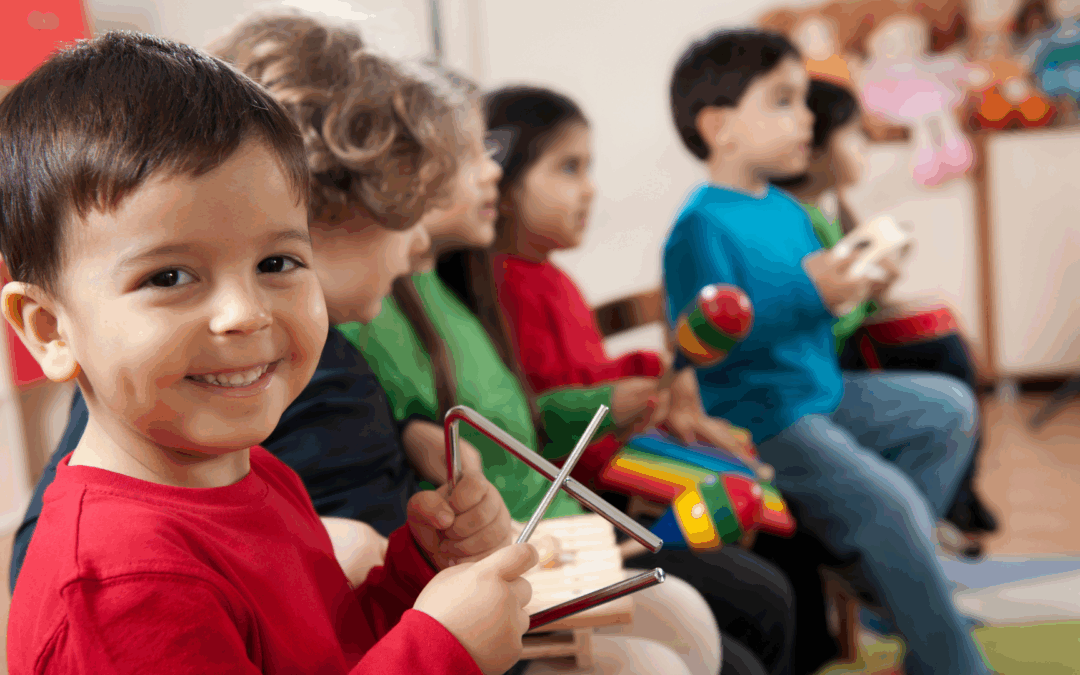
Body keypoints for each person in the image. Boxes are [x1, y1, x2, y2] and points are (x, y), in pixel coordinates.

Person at [1, 31, 531, 674]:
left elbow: (333, 652)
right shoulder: (122, 588)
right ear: (51, 330)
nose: (246, 313)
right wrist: (440, 651)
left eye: (277, 261)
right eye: (169, 276)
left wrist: (421, 575)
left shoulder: (257, 472)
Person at [664, 29, 996, 675]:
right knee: (893, 504)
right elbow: (709, 344)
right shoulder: (701, 225)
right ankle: (950, 660)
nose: (807, 118)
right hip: (764, 419)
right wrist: (810, 292)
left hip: (825, 394)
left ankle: (880, 574)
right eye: (784, 101)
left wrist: (850, 286)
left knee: (950, 408)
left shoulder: (785, 210)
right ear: (720, 126)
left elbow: (809, 308)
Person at [465, 84, 799, 675]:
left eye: (588, 167)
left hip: (608, 478)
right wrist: (626, 397)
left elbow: (584, 377)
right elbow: (543, 415)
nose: (589, 187)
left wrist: (649, 378)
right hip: (599, 493)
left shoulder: (553, 280)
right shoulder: (505, 288)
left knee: (763, 498)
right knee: (764, 573)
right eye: (568, 168)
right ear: (505, 183)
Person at [768, 66, 998, 550]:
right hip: (827, 366)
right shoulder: (796, 219)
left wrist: (873, 280)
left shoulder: (828, 206)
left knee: (947, 342)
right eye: (854, 137)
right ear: (813, 150)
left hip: (838, 353)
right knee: (948, 357)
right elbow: (822, 319)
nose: (864, 149)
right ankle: (933, 515)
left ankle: (944, 506)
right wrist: (860, 289)